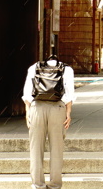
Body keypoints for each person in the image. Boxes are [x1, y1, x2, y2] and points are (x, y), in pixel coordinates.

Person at [22, 54, 76, 189]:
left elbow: (27, 93)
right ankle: (55, 185)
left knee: (36, 148)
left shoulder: (34, 67)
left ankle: (37, 184)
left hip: (37, 108)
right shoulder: (67, 69)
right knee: (57, 148)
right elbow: (69, 94)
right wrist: (68, 113)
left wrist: (28, 113)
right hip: (57, 108)